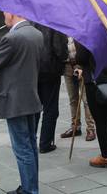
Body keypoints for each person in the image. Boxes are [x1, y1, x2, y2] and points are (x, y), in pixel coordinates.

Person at [0, 12, 43, 194]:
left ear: (12, 12)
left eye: (4, 12)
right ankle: (30, 186)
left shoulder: (12, 37)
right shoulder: (36, 33)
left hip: (15, 101)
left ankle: (29, 191)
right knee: (31, 146)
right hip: (31, 97)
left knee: (22, 149)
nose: (3, 15)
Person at [33, 24, 68, 154]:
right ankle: (46, 143)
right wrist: (64, 58)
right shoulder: (53, 23)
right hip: (50, 69)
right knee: (50, 109)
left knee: (35, 107)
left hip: (34, 69)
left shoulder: (31, 20)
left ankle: (32, 139)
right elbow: (60, 50)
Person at [60, 36, 96, 141]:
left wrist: (80, 66)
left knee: (86, 100)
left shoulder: (80, 30)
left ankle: (91, 128)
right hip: (67, 66)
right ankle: (75, 127)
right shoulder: (61, 31)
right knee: (73, 99)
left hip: (82, 66)